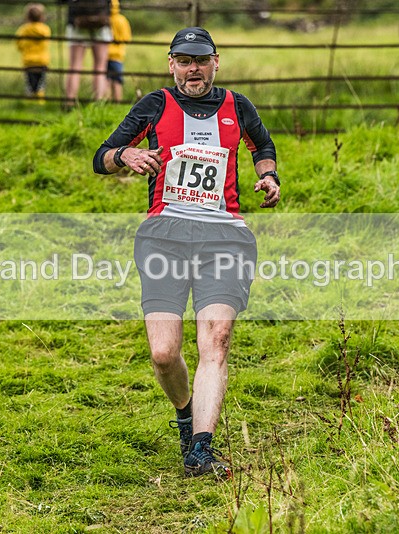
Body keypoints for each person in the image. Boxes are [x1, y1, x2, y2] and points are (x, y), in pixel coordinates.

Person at [92, 27, 280, 478]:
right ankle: (185, 411)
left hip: (224, 238)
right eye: (183, 60)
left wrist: (269, 177)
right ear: (171, 63)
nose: (192, 69)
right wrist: (126, 157)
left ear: (216, 62)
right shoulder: (153, 105)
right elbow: (102, 155)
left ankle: (201, 448)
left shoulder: (239, 106)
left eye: (200, 60)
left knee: (214, 342)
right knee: (163, 353)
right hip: (164, 237)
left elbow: (263, 147)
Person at [64, 0, 112, 104]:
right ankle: (99, 102)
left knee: (74, 66)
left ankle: (70, 102)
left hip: (77, 21)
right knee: (100, 67)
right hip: (101, 22)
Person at [15, 3, 51, 102]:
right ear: (42, 16)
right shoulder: (45, 29)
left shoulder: (23, 30)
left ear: (27, 16)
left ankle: (29, 101)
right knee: (41, 82)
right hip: (42, 61)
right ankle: (40, 101)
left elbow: (19, 44)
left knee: (30, 82)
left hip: (28, 61)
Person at [106, 0, 132, 103]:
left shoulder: (105, 19)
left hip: (104, 55)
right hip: (117, 56)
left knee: (106, 81)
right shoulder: (122, 20)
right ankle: (118, 104)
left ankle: (105, 104)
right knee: (117, 81)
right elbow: (127, 38)